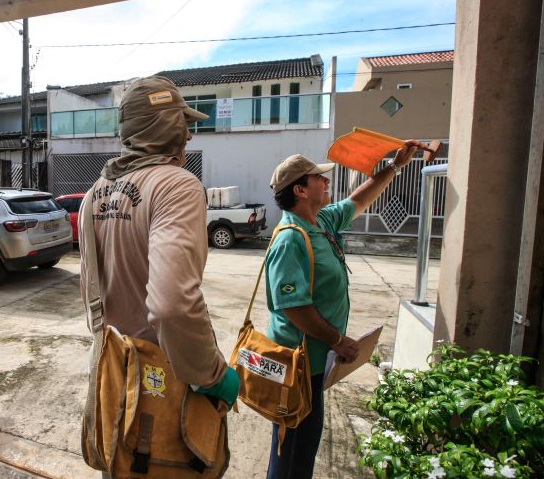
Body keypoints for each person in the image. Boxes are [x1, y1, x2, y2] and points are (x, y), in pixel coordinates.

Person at [79, 75, 239, 412]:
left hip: (112, 376)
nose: (189, 134)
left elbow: (88, 291)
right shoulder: (176, 185)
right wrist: (210, 376)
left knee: (117, 461)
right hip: (165, 387)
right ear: (166, 125)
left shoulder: (93, 194)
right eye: (183, 123)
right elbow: (173, 306)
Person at [264, 144, 422, 479]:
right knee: (291, 451)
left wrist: (394, 166)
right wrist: (338, 340)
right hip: (297, 367)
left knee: (302, 448)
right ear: (300, 190)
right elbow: (294, 309)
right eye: (318, 178)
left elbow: (360, 199)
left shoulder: (320, 220)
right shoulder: (290, 239)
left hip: (316, 363)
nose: (326, 181)